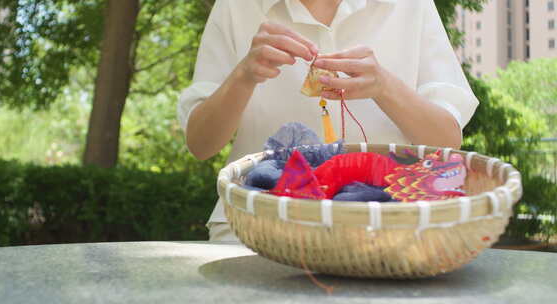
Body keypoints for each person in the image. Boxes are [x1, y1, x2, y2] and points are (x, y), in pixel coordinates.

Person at [177, 0, 479, 242]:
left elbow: (446, 141)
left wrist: (385, 87)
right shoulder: (236, 6)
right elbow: (201, 144)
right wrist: (243, 76)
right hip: (255, 227)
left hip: (388, 230)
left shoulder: (410, 6)